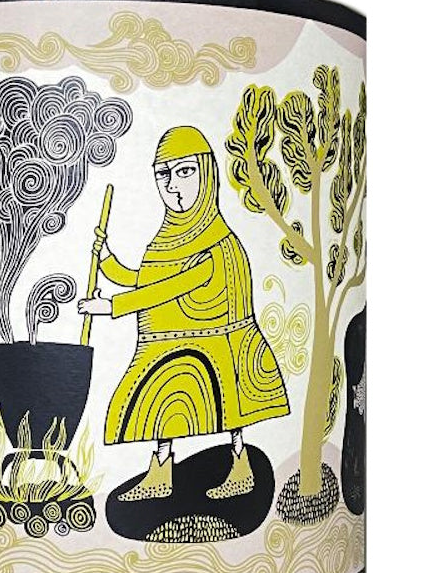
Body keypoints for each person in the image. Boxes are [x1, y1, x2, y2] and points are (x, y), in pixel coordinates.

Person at [78, 125, 289, 501]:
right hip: (171, 345)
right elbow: (146, 278)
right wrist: (108, 261)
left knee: (231, 412)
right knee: (161, 405)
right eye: (164, 174)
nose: (173, 186)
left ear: (206, 173)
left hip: (219, 344)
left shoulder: (217, 244)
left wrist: (112, 307)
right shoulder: (169, 239)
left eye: (185, 171)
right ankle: (160, 473)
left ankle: (240, 468)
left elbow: (169, 289)